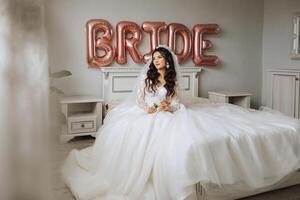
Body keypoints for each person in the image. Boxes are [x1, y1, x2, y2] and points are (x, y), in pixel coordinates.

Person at [62, 45, 300, 200]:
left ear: (167, 60)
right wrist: (152, 108)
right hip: (148, 114)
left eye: (159, 57)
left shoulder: (174, 80)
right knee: (158, 136)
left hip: (172, 112)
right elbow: (140, 101)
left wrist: (170, 106)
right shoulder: (148, 78)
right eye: (153, 57)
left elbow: (178, 102)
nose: (155, 61)